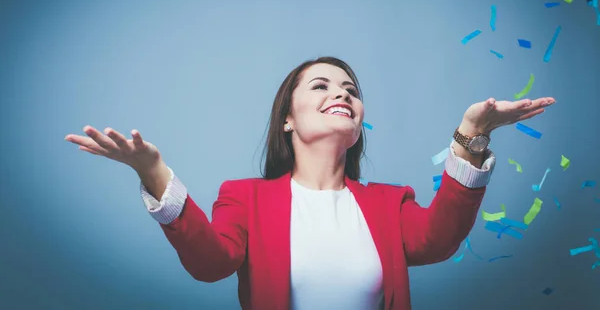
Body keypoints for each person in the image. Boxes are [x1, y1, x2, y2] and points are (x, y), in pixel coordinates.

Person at [65, 57, 555, 310]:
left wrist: (473, 134)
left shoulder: (390, 204)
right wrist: (153, 172)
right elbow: (211, 264)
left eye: (350, 89)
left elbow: (439, 239)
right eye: (320, 85)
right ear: (287, 120)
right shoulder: (245, 198)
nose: (341, 91)